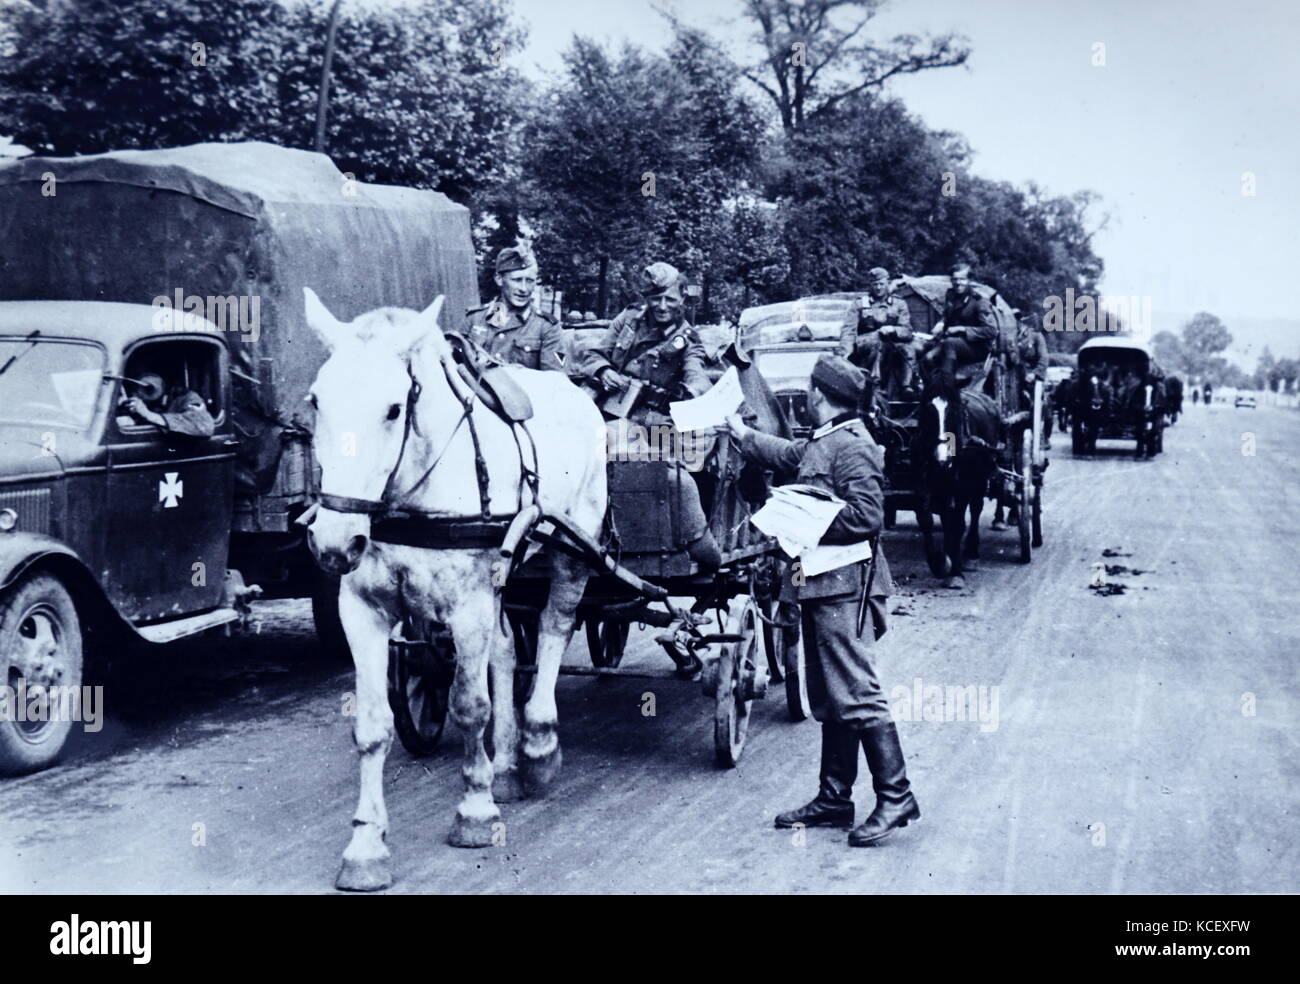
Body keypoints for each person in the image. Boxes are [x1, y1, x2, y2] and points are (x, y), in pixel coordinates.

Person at [726, 354, 918, 848]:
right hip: (820, 584)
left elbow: (867, 518)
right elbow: (791, 456)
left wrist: (802, 520)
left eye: (809, 393)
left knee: (856, 691)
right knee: (832, 695)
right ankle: (835, 797)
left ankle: (896, 795)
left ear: (818, 395)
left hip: (845, 587)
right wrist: (743, 436)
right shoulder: (826, 439)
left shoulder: (853, 445)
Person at [577, 261, 720, 570]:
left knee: (651, 471)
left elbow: (696, 371)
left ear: (683, 298)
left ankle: (644, 539)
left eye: (670, 299)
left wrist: (695, 392)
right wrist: (603, 372)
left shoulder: (687, 338)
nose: (663, 306)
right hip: (611, 412)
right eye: (656, 298)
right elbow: (593, 355)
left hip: (657, 424)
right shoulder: (627, 320)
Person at [465, 242, 565, 371]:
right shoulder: (475, 319)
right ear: (499, 279)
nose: (523, 289)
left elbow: (553, 381)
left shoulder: (546, 327)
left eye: (529, 281)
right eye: (517, 280)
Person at [921, 263, 999, 398]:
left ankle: (948, 389)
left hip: (977, 347)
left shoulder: (979, 301)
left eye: (962, 279)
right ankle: (933, 394)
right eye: (955, 279)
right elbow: (948, 316)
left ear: (969, 281)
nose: (958, 283)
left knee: (950, 343)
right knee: (927, 358)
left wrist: (962, 329)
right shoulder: (951, 296)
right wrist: (941, 323)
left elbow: (991, 331)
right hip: (955, 344)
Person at [838, 267, 916, 397]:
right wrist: (846, 352)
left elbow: (907, 331)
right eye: (874, 284)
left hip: (891, 343)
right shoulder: (859, 304)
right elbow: (848, 330)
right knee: (877, 343)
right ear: (870, 285)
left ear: (888, 283)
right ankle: (876, 384)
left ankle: (906, 386)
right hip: (865, 344)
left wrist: (893, 330)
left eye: (881, 284)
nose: (878, 288)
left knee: (908, 349)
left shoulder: (899, 303)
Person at [120, 372, 215, 437]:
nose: (136, 392)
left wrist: (148, 414)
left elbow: (204, 427)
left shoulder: (187, 397)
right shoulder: (144, 402)